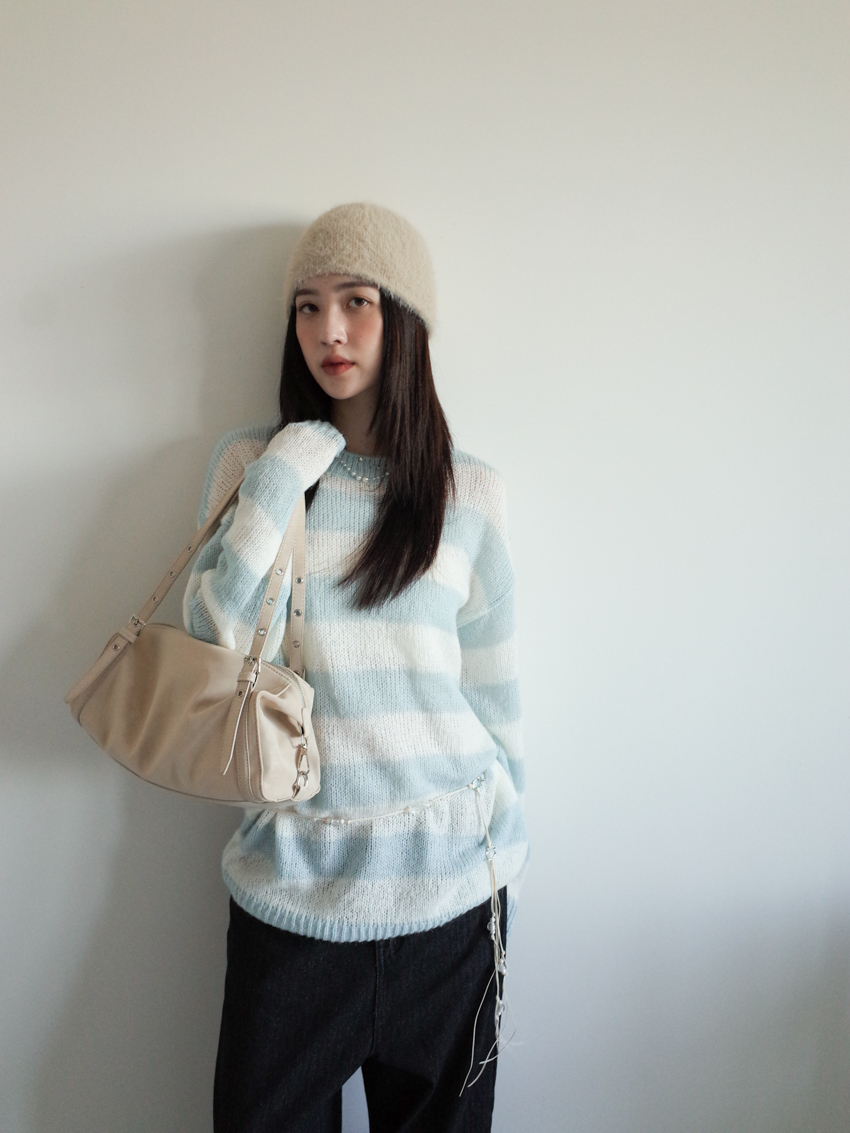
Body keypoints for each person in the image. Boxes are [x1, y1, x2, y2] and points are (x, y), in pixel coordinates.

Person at [183, 203, 529, 1133]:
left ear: (403, 319)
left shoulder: (469, 492)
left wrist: (504, 835)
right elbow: (208, 641)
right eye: (307, 306)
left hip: (453, 902)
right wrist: (275, 483)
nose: (327, 331)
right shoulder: (254, 463)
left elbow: (496, 692)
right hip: (291, 899)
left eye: (356, 302)